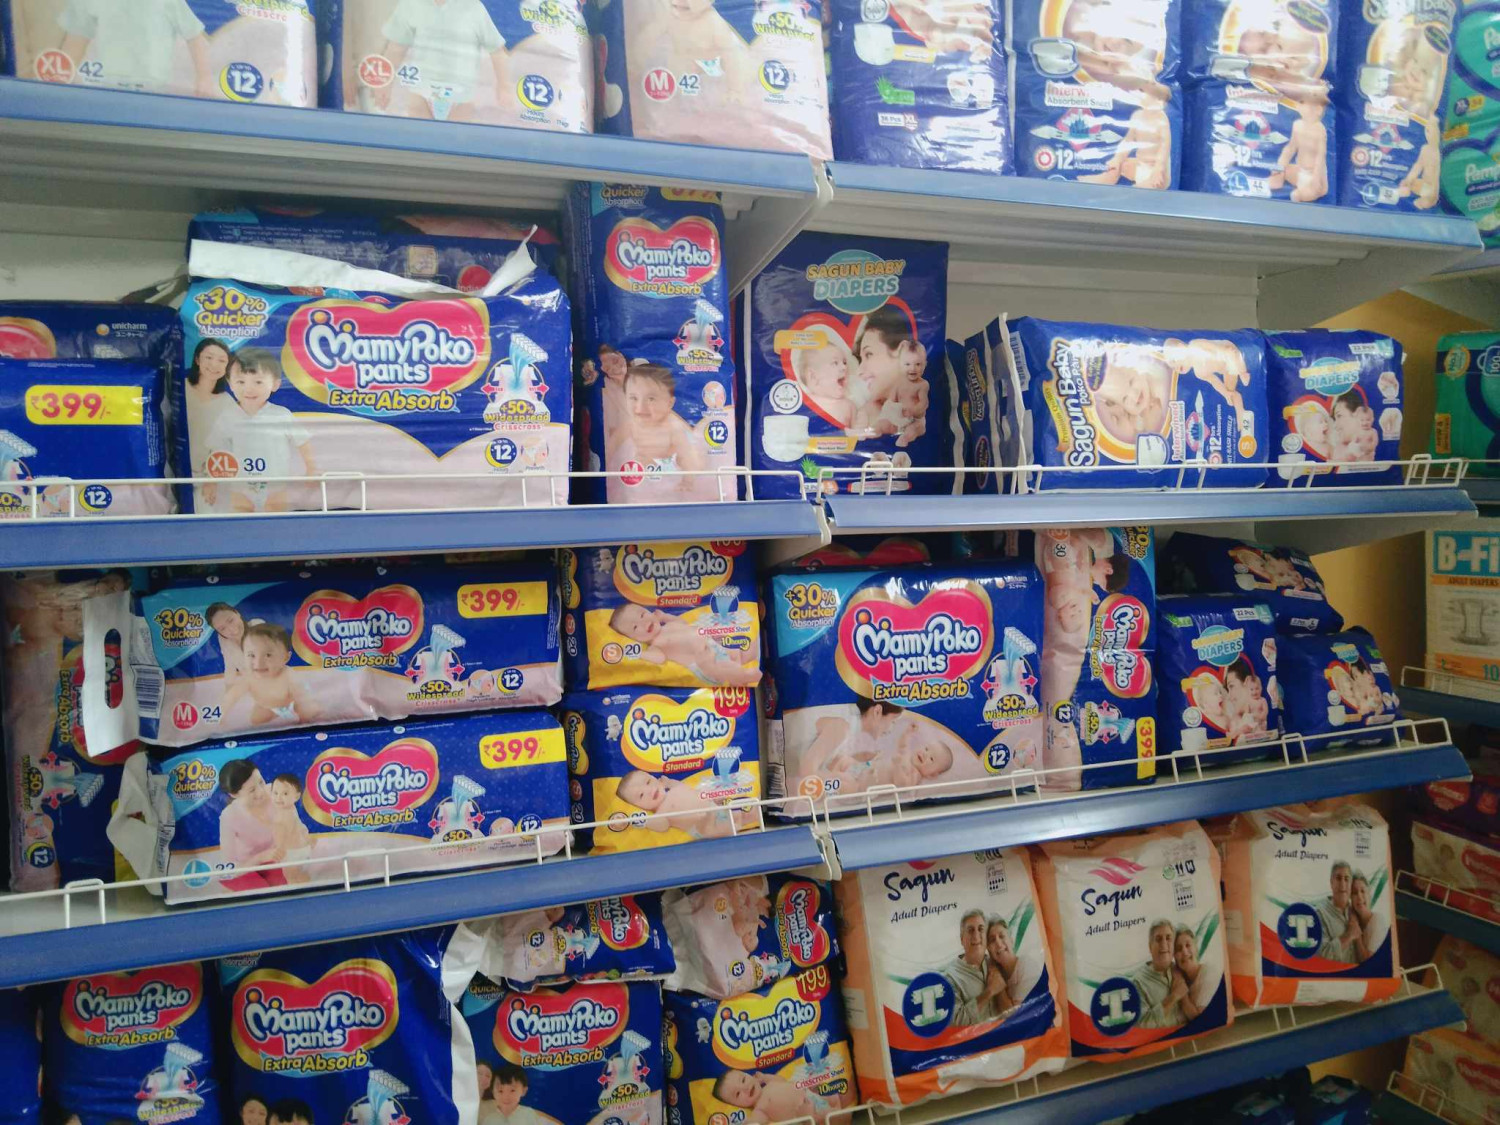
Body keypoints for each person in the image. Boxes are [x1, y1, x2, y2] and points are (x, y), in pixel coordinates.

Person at [201, 349, 318, 513]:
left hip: (276, 484)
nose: (248, 389)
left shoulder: (281, 414)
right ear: (230, 383)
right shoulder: (227, 416)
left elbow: (302, 441)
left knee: (277, 516)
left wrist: (312, 468)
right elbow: (215, 451)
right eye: (241, 382)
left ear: (275, 384)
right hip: (240, 486)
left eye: (258, 382)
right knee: (241, 516)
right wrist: (210, 482)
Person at [374, 0, 509, 123]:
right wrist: (384, 82)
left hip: (462, 94)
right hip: (421, 89)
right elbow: (396, 47)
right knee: (420, 136)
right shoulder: (411, 4)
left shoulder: (473, 7)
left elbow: (496, 51)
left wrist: (504, 86)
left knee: (455, 138)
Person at [55, 0, 213, 97]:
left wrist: (204, 78)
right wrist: (63, 76)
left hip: (154, 89)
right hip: (106, 86)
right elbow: (77, 38)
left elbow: (194, 35)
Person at [607, 604, 761, 686]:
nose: (643, 622)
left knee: (735, 651)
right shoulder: (655, 645)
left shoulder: (668, 626)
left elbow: (683, 623)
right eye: (635, 628)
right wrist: (640, 653)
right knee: (716, 665)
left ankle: (753, 651)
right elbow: (660, 659)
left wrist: (665, 616)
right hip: (703, 665)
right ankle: (741, 676)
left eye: (642, 614)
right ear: (634, 639)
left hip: (712, 646)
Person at [220, 622, 321, 726]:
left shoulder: (288, 676)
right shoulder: (248, 678)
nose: (259, 662)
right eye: (251, 655)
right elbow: (231, 696)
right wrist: (222, 713)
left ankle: (308, 715)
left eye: (268, 655)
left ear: (286, 657)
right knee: (256, 720)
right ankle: (275, 714)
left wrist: (306, 710)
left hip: (292, 702)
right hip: (266, 706)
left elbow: (302, 696)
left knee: (308, 710)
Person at [614, 769, 754, 838]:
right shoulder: (662, 813)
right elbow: (662, 826)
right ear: (638, 806)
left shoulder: (672, 789)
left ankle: (751, 815)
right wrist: (644, 821)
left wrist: (669, 782)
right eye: (641, 795)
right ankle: (737, 825)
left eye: (648, 782)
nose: (649, 790)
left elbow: (683, 787)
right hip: (705, 826)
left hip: (714, 806)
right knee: (730, 822)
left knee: (744, 810)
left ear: (654, 778)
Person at [217, 759, 288, 889]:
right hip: (243, 868)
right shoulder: (229, 816)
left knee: (281, 889)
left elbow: (292, 823)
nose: (261, 792)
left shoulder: (275, 793)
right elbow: (228, 870)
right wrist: (260, 858)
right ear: (234, 794)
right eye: (252, 790)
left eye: (261, 782)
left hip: (270, 859)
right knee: (261, 893)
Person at [943, 908, 1009, 1025]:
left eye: (981, 929)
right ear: (962, 939)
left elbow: (1013, 1012)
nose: (976, 935)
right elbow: (957, 1022)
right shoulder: (950, 978)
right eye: (970, 930)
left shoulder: (996, 962)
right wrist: (989, 992)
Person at [790, 329, 856, 428]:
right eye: (835, 363)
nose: (844, 367)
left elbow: (858, 432)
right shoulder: (803, 401)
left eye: (845, 362)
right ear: (813, 377)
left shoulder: (849, 406)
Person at [1134, 919, 1189, 1028]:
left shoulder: (1181, 969)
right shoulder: (1138, 982)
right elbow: (1143, 1025)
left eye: (1168, 938)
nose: (1164, 944)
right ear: (1150, 947)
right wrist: (1174, 996)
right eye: (1158, 939)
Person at [986, 916, 1041, 1013]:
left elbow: (1015, 1016)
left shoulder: (1026, 966)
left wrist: (999, 987)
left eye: (1002, 936)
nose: (998, 943)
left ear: (1011, 941)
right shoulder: (993, 974)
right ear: (989, 950)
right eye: (992, 940)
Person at [1314, 860, 1361, 963]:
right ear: (1331, 882)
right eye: (1338, 878)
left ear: (1351, 884)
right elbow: (1321, 956)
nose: (1342, 884)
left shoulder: (1356, 910)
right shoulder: (1319, 914)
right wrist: (1349, 935)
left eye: (1346, 879)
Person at [269, 772, 311, 884]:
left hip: (291, 853)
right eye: (275, 793)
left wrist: (279, 849)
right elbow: (301, 827)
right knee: (301, 873)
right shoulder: (291, 809)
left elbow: (281, 833)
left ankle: (295, 889)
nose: (279, 797)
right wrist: (307, 838)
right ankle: (308, 884)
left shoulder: (283, 814)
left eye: (285, 793)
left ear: (297, 796)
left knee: (289, 876)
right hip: (303, 850)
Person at [1172, 926, 1216, 1022]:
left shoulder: (1209, 974)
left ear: (1195, 947)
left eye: (1188, 945)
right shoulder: (1179, 978)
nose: (1184, 952)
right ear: (1174, 956)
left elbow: (1201, 1020)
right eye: (1178, 949)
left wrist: (1182, 995)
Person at [482, 1064, 547, 1125]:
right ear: (493, 1092)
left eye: (512, 1090)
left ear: (523, 1091)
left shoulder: (528, 1114)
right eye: (500, 1091)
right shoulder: (489, 1119)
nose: (506, 1096)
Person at [1349, 871, 1387, 964]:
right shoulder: (1354, 921)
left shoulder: (1378, 920)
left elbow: (1368, 962)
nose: (1359, 896)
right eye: (1354, 893)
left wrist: (1356, 934)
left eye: (1363, 891)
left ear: (1369, 895)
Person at [206, 602, 250, 681]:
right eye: (222, 629)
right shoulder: (224, 640)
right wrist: (228, 686)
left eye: (230, 620)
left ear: (237, 613)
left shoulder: (258, 627)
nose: (231, 629)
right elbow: (229, 667)